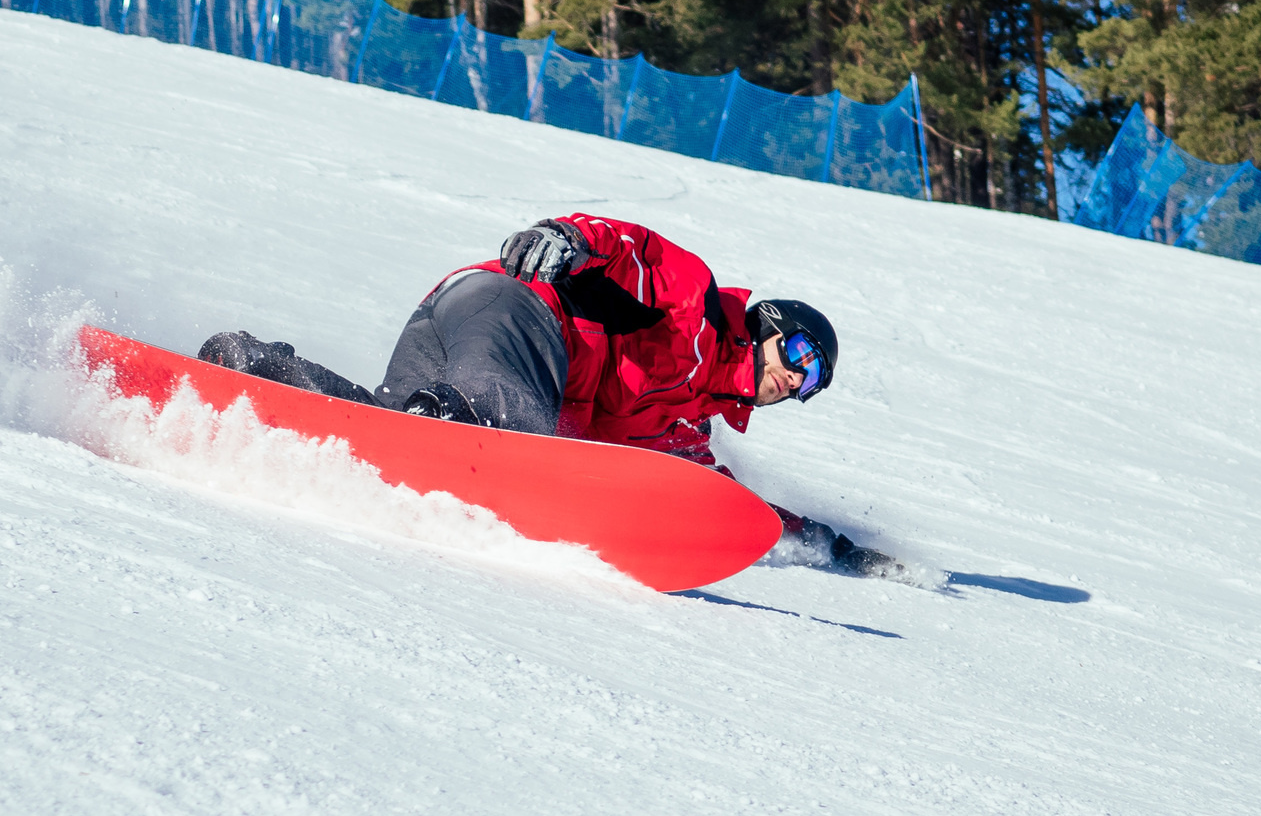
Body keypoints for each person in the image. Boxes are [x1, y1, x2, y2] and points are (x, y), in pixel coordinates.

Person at [199, 214, 873, 564]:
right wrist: (567, 238)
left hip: (451, 324)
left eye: (813, 382)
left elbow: (710, 499)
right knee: (508, 439)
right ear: (768, 326)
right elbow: (630, 250)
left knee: (383, 437)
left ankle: (259, 367)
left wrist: (820, 541)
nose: (797, 379)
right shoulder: (695, 305)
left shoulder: (682, 428)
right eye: (802, 354)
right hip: (520, 312)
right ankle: (456, 417)